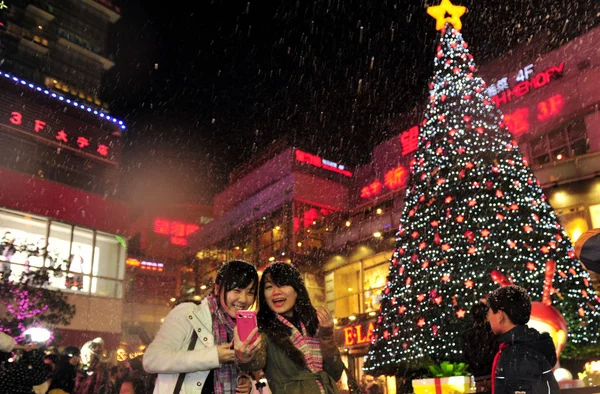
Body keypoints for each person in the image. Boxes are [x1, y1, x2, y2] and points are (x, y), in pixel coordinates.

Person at [143, 259, 259, 393]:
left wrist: (245, 382)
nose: (244, 299)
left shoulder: (239, 327)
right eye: (237, 290)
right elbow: (152, 359)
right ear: (217, 288)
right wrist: (214, 356)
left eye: (250, 292)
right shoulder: (188, 313)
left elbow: (229, 375)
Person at [235, 262, 344, 394]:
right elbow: (255, 362)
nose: (276, 292)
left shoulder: (313, 324)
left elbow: (335, 372)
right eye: (269, 287)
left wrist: (326, 336)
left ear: (297, 290)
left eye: (283, 285)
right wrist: (245, 356)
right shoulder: (263, 329)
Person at [487, 285, 560, 394]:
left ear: (500, 315)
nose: (488, 318)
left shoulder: (518, 353)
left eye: (490, 312)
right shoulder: (521, 345)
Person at [462, 299, 498, 393]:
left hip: (478, 377)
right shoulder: (493, 332)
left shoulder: (469, 333)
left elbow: (467, 354)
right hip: (492, 375)